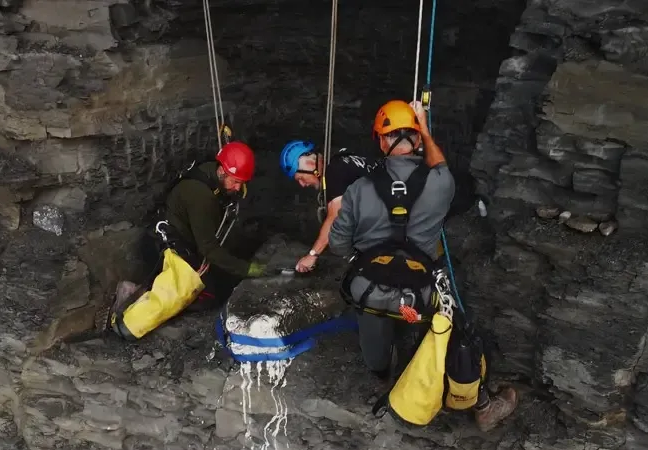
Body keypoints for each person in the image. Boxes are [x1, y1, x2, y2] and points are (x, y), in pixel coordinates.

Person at [328, 100, 517, 432]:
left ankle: (383, 375)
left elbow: (338, 243)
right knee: (459, 328)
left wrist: (364, 249)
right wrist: (425, 128)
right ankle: (483, 404)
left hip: (371, 289)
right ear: (416, 140)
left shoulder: (358, 189)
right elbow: (439, 163)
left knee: (371, 312)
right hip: (420, 291)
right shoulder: (440, 183)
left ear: (381, 141)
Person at [110, 141, 267, 340]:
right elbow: (209, 248)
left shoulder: (210, 175)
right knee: (193, 292)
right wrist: (246, 269)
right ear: (223, 172)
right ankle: (129, 317)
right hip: (164, 247)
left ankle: (145, 290)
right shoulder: (202, 196)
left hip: (179, 241)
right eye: (235, 182)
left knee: (212, 289)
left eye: (241, 183)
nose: (237, 188)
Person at [279, 140, 376, 273]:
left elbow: (336, 216)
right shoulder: (344, 160)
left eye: (300, 178)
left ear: (310, 164)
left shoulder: (334, 170)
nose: (302, 184)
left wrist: (312, 255)